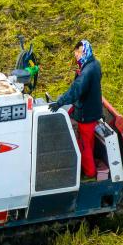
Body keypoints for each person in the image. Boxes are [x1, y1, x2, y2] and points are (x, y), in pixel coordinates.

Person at [48, 40, 103, 180]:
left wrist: (59, 103)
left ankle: (90, 174)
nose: (77, 56)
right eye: (75, 53)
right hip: (93, 112)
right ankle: (90, 169)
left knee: (84, 146)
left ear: (85, 51)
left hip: (86, 115)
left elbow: (76, 90)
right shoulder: (95, 64)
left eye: (78, 52)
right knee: (89, 143)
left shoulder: (87, 71)